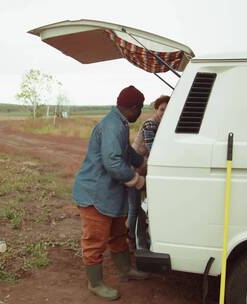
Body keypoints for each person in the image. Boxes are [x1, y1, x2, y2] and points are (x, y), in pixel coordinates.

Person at [72, 85, 150, 301]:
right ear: (133, 107)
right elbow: (113, 163)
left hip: (109, 193)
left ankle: (125, 270)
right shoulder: (113, 125)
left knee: (117, 234)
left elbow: (125, 151)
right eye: (140, 108)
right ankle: (95, 283)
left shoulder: (119, 123)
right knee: (95, 240)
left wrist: (143, 162)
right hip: (95, 194)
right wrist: (138, 180)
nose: (140, 113)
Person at [127, 95, 170, 250]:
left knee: (145, 207)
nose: (164, 113)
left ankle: (142, 237)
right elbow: (154, 151)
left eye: (167, 109)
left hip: (146, 170)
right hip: (133, 169)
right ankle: (131, 238)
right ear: (156, 109)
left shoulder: (164, 126)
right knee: (135, 207)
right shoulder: (150, 125)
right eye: (161, 109)